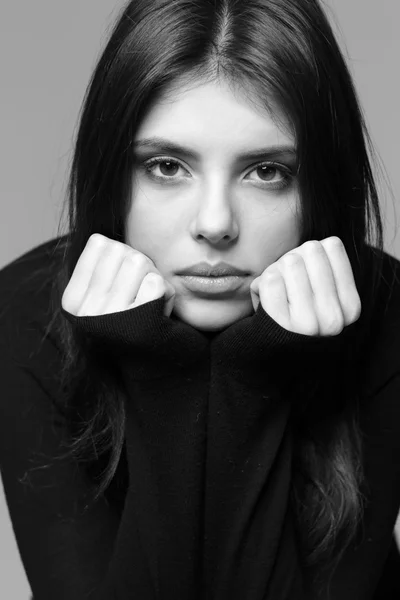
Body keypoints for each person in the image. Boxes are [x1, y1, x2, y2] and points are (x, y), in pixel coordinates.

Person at [1, 0, 400, 598]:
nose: (215, 224)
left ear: (320, 185)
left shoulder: (388, 317)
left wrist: (253, 375)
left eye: (266, 171)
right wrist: (163, 376)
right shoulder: (25, 313)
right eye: (166, 166)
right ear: (113, 173)